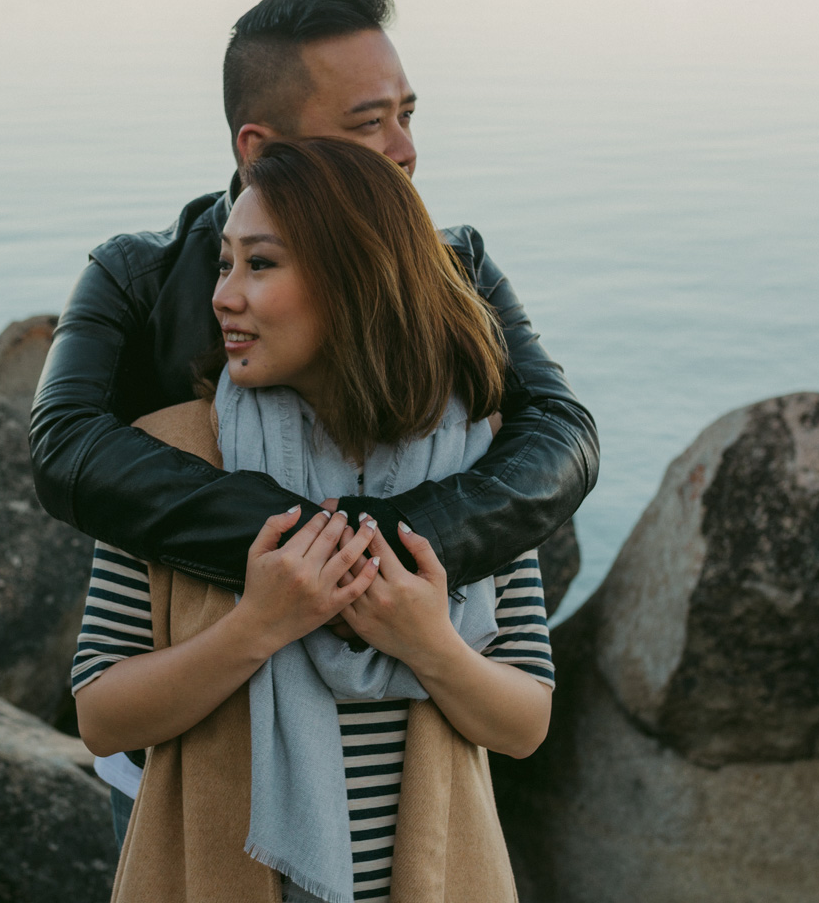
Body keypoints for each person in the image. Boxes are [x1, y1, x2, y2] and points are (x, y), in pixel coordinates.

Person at [30, 0, 595, 847]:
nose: (405, 151)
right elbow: (66, 450)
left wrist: (390, 548)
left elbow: (561, 436)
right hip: (190, 777)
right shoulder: (138, 278)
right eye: (369, 123)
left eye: (408, 114)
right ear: (261, 149)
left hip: (405, 794)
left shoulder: (455, 272)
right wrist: (302, 548)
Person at [72, 136, 555, 903]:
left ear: (356, 281)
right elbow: (100, 714)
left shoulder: (475, 469)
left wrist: (429, 643)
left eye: (259, 264)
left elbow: (525, 721)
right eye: (224, 263)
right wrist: (256, 626)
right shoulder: (169, 459)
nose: (223, 295)